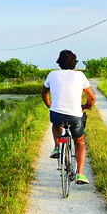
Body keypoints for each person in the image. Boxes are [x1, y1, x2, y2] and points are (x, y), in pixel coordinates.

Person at [41, 49, 96, 185]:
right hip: (75, 116)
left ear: (59, 62)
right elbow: (92, 97)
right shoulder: (80, 76)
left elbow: (44, 93)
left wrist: (49, 104)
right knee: (80, 142)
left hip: (57, 114)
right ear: (74, 63)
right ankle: (80, 174)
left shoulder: (52, 74)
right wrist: (87, 106)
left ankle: (57, 146)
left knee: (56, 124)